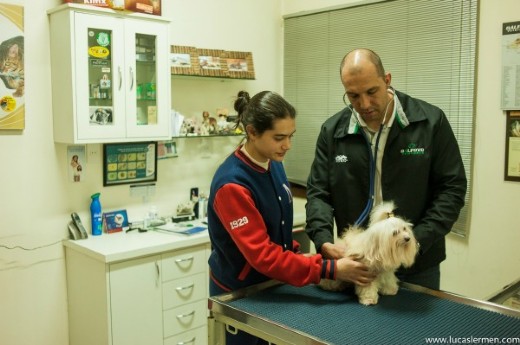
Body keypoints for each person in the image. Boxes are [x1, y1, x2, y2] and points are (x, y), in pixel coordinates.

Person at [207, 90, 375, 345]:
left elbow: (279, 233)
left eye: (290, 136)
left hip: (273, 286)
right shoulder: (232, 185)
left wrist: (313, 256)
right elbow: (263, 256)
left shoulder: (273, 162)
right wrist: (329, 269)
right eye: (279, 138)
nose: (287, 145)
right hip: (241, 296)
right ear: (252, 132)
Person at [305, 48, 467, 291]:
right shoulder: (333, 131)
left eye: (372, 92)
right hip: (358, 263)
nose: (365, 104)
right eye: (353, 96)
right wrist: (323, 240)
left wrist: (413, 240)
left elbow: (452, 190)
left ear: (387, 80)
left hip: (416, 265)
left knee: (419, 328)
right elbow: (318, 193)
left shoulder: (429, 122)